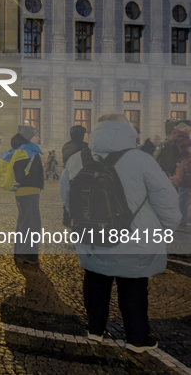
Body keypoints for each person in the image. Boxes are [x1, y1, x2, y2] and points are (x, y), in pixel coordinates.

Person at [61, 113, 180, 353]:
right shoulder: (141, 159)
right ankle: (137, 338)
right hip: (133, 238)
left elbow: (67, 198)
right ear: (127, 132)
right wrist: (168, 226)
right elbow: (165, 199)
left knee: (95, 279)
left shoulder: (77, 158)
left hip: (91, 235)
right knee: (133, 286)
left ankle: (94, 330)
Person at [10, 126, 44, 264]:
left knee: (24, 222)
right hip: (28, 190)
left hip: (26, 190)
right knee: (31, 223)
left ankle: (20, 251)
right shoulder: (27, 151)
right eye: (36, 136)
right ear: (29, 138)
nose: (38, 138)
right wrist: (23, 181)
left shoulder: (25, 150)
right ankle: (27, 255)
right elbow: (19, 171)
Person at [169, 121, 191, 229]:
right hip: (183, 171)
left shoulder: (171, 136)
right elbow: (186, 156)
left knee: (174, 194)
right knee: (184, 195)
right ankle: (181, 220)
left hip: (173, 170)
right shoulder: (183, 138)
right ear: (185, 127)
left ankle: (172, 217)